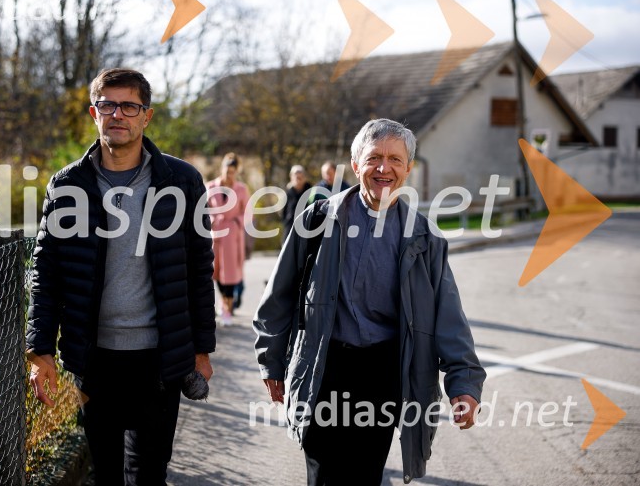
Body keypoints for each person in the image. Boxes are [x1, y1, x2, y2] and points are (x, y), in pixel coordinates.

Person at [254, 118, 485, 485]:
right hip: (324, 367)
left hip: (383, 373)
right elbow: (278, 296)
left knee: (365, 473)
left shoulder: (425, 238)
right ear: (356, 163)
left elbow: (449, 317)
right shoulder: (317, 219)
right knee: (324, 472)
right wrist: (272, 360)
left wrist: (464, 384)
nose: (384, 168)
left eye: (395, 159)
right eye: (374, 157)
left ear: (408, 168)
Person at [26, 68, 216, 485]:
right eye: (108, 105)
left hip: (160, 358)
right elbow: (46, 273)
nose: (118, 114)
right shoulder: (67, 185)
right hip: (94, 358)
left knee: (149, 473)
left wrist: (202, 348)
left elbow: (200, 269)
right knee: (106, 473)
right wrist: (40, 351)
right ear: (94, 113)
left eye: (129, 106)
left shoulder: (182, 182)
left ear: (146, 116)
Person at [206, 153, 250, 326]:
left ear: (236, 172)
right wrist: (211, 221)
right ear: (221, 169)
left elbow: (247, 212)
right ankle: (224, 303)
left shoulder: (241, 189)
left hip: (232, 236)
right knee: (215, 272)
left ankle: (227, 309)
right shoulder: (210, 187)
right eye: (226, 171)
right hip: (215, 235)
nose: (229, 175)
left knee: (230, 275)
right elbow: (203, 209)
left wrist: (236, 223)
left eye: (232, 172)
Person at [281, 165, 312, 244]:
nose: (298, 180)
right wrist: (286, 221)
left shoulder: (310, 191)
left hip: (307, 226)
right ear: (291, 177)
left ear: (304, 177)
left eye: (300, 177)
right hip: (290, 226)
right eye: (296, 177)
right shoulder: (288, 192)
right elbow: (284, 211)